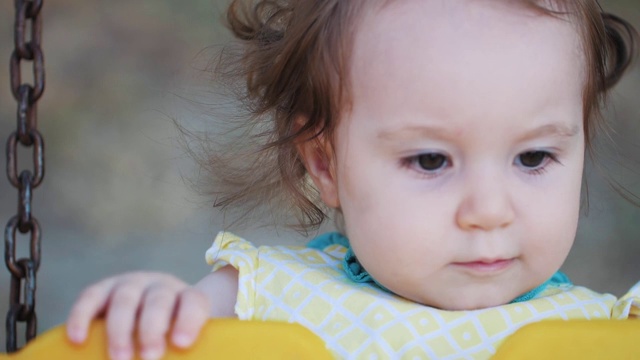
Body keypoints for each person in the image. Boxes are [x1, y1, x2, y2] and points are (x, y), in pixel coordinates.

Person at [66, 0, 640, 359]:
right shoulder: (275, 294)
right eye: (431, 161)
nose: (490, 211)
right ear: (326, 164)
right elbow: (180, 324)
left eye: (534, 157)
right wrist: (153, 308)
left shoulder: (602, 328)